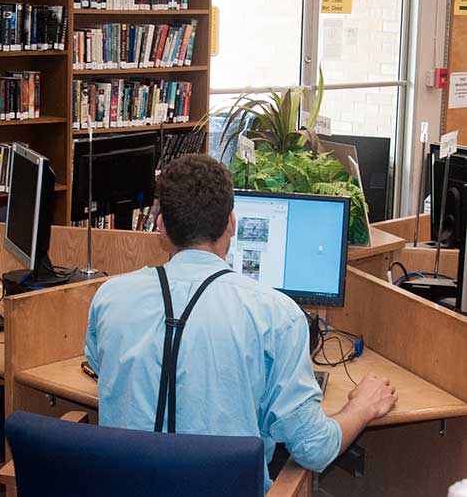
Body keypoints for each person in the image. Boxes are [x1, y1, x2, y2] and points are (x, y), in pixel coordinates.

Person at [85, 155, 397, 492]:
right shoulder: (277, 316)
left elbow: (100, 367)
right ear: (232, 223)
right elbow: (314, 448)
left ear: (160, 226)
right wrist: (362, 406)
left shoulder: (110, 297)